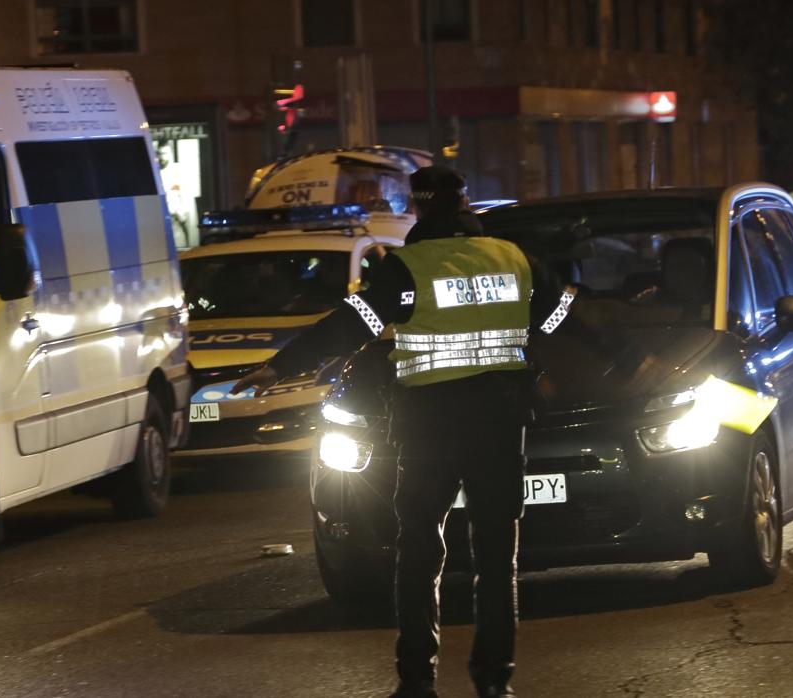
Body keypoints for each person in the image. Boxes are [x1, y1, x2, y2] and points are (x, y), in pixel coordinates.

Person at [232, 166, 577, 698]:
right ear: (466, 203)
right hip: (499, 424)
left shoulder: (407, 268)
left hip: (428, 429)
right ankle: (494, 683)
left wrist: (281, 366)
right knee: (495, 556)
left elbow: (354, 322)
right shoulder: (514, 258)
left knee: (419, 551)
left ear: (418, 209)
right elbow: (557, 318)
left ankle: (416, 682)